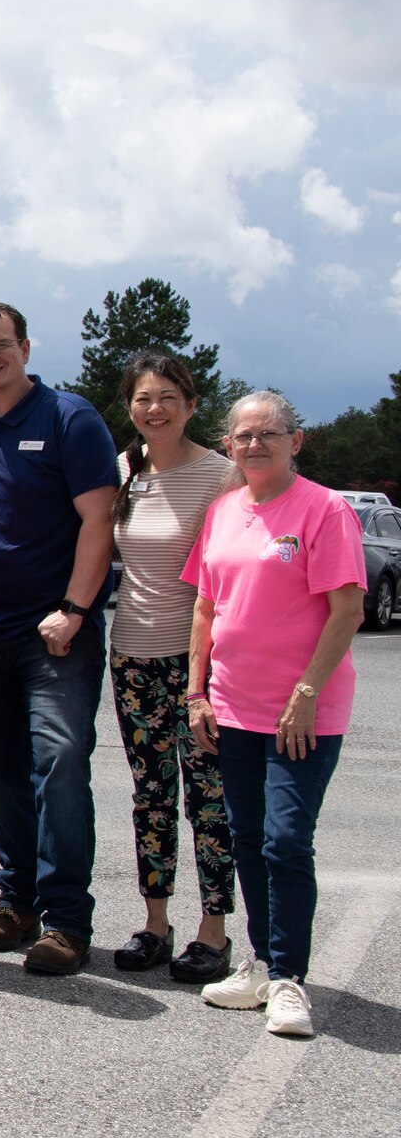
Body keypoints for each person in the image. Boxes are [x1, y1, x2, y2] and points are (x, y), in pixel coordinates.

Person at [0, 303, 117, 975]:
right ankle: (17, 902)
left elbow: (100, 519)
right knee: (1, 772)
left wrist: (73, 607)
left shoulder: (71, 418)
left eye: (0, 345)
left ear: (26, 348)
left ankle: (67, 919)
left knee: (60, 764)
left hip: (56, 634)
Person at [187, 391, 363, 1038]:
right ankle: (261, 963)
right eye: (242, 435)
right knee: (246, 836)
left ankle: (288, 979)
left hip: (302, 713)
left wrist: (308, 691)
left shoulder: (326, 510)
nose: (254, 444)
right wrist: (195, 690)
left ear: (296, 440)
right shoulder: (224, 511)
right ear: (228, 444)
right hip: (233, 706)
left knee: (286, 838)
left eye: (269, 433)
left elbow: (347, 610)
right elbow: (206, 606)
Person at [106, 352, 238, 982]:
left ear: (190, 404)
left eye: (167, 397)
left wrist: (205, 676)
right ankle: (156, 924)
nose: (154, 409)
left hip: (200, 665)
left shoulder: (221, 476)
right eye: (142, 398)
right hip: (130, 654)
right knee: (151, 795)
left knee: (209, 800)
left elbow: (231, 581)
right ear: (129, 407)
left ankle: (215, 932)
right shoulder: (124, 469)